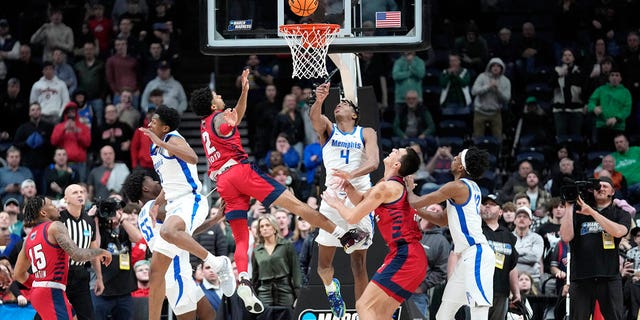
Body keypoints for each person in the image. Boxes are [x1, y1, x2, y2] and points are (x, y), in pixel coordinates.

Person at [189, 71, 369, 313]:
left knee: (242, 237)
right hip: (240, 172)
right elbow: (233, 120)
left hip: (223, 181)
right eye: (217, 95)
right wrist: (244, 91)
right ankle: (343, 235)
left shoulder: (202, 126)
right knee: (296, 204)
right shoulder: (219, 117)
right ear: (212, 104)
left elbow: (230, 124)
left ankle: (243, 277)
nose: (221, 96)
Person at [138, 105, 235, 320]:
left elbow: (193, 158)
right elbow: (168, 182)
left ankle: (218, 263)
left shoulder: (172, 138)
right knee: (155, 274)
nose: (150, 124)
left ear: (165, 127)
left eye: (154, 121)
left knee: (168, 231)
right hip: (174, 202)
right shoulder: (156, 149)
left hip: (190, 200)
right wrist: (157, 203)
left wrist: (161, 142)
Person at [321, 147, 426, 319]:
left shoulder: (387, 188)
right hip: (410, 256)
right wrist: (348, 187)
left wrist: (336, 204)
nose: (393, 149)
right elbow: (362, 201)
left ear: (397, 164)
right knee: (379, 314)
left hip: (406, 255)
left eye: (397, 151)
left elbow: (353, 217)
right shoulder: (387, 186)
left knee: (363, 306)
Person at [310, 82, 380, 317]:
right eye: (337, 104)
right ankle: (332, 289)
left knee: (358, 266)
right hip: (332, 200)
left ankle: (362, 313)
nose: (339, 105)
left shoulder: (366, 132)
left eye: (345, 104)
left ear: (355, 114)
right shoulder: (329, 129)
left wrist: (351, 174)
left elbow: (373, 162)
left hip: (358, 199)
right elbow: (315, 120)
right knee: (323, 267)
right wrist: (319, 101)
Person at [406, 147, 495, 319]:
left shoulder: (457, 186)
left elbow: (417, 202)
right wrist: (417, 210)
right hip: (466, 257)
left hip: (476, 253)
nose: (454, 157)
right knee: (443, 314)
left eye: (458, 156)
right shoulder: (469, 187)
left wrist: (408, 189)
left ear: (461, 167)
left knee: (478, 310)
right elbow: (441, 219)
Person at [122, 169, 218, 320]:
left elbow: (185, 230)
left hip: (178, 272)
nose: (157, 182)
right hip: (176, 272)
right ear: (145, 188)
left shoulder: (143, 213)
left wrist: (213, 220)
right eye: (152, 181)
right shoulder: (156, 207)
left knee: (209, 315)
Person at [12, 196, 111, 320]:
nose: (56, 206)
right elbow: (77, 255)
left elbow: (18, 274)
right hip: (51, 291)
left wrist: (39, 284)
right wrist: (100, 251)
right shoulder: (55, 226)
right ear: (43, 212)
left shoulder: (29, 238)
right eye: (51, 204)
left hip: (40, 291)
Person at [559, 176, 630, 319]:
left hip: (609, 276)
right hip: (581, 277)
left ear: (612, 192)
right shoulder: (577, 212)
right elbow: (566, 237)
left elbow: (618, 232)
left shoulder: (619, 213)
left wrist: (592, 212)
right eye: (598, 186)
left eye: (605, 186)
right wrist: (569, 206)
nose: (601, 188)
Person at [59, 184, 104, 320]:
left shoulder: (89, 221)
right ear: (66, 199)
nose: (79, 194)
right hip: (61, 274)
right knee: (53, 314)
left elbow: (94, 251)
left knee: (88, 315)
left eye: (82, 192)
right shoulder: (58, 219)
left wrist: (99, 278)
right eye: (75, 193)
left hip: (80, 274)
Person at [481, 194, 520, 320]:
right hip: (478, 290)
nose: (487, 206)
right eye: (485, 204)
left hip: (501, 291)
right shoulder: (475, 231)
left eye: (492, 204)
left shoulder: (509, 236)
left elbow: (512, 266)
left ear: (500, 212)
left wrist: (516, 292)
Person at [252, 214, 301, 311]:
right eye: (262, 226)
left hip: (285, 290)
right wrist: (253, 297)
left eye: (267, 225)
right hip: (264, 293)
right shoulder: (257, 250)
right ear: (259, 231)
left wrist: (299, 295)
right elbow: (255, 277)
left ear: (274, 228)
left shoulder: (286, 245)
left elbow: (295, 272)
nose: (265, 228)